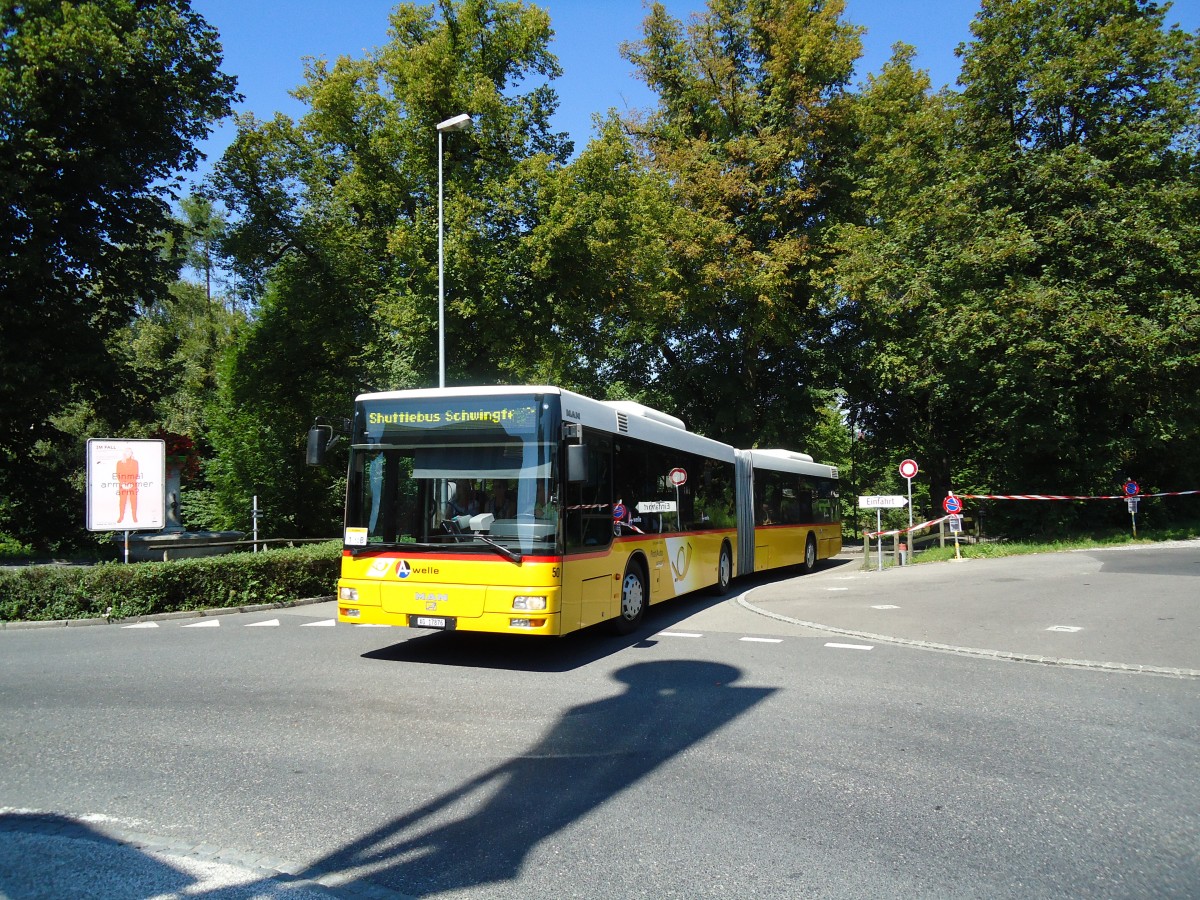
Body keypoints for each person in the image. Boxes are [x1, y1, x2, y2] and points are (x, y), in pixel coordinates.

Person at [116, 447, 139, 524]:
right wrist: (123, 484)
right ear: (124, 454)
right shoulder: (119, 463)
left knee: (134, 501)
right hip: (122, 485)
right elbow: (118, 474)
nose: (128, 454)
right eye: (127, 452)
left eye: (130, 452)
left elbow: (136, 474)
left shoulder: (135, 462)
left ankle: (134, 517)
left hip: (133, 484)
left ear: (132, 453)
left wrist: (130, 484)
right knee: (122, 501)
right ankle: (121, 517)